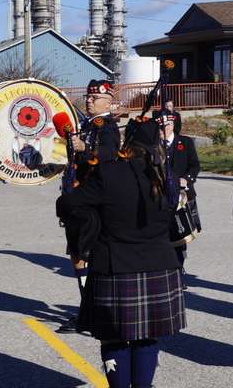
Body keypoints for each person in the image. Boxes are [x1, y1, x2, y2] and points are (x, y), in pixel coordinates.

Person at [56, 119, 186, 388]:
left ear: (128, 143)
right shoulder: (167, 176)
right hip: (160, 266)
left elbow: (68, 203)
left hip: (115, 268)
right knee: (147, 337)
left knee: (113, 338)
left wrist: (74, 188)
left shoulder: (111, 173)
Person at [57, 79, 121, 334]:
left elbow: (109, 155)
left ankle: (92, 312)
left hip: (94, 201)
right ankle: (89, 308)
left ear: (109, 102)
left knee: (86, 255)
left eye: (95, 98)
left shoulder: (108, 127)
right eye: (88, 97)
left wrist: (86, 147)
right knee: (78, 255)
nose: (90, 101)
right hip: (80, 195)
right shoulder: (87, 124)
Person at [153, 108, 200, 267]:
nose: (164, 129)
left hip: (183, 195)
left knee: (182, 234)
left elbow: (195, 166)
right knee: (164, 235)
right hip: (162, 196)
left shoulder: (185, 142)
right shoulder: (154, 146)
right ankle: (170, 267)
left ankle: (180, 267)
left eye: (167, 125)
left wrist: (186, 179)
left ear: (173, 124)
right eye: (160, 126)